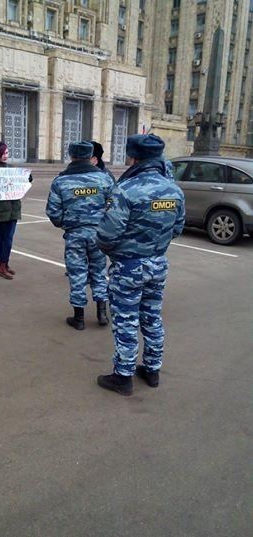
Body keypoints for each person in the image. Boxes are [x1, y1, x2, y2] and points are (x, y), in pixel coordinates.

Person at [95, 134, 185, 395]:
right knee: (152, 316)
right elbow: (177, 229)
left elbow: (107, 234)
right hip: (158, 264)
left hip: (129, 267)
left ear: (133, 157)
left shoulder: (126, 189)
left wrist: (116, 250)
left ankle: (123, 376)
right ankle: (153, 369)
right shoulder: (174, 190)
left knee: (126, 319)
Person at [46, 141, 115, 330]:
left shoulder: (61, 181)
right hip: (99, 234)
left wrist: (66, 224)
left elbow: (53, 212)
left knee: (77, 273)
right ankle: (102, 313)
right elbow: (115, 206)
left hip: (74, 234)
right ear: (90, 155)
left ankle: (79, 318)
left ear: (71, 155)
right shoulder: (104, 179)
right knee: (99, 272)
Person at [0, 142, 32, 280]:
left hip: (14, 208)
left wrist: (26, 180)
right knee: (2, 238)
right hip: (1, 209)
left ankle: (5, 263)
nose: (6, 156)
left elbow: (19, 186)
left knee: (9, 238)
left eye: (7, 153)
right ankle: (1, 265)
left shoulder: (10, 168)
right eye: (3, 153)